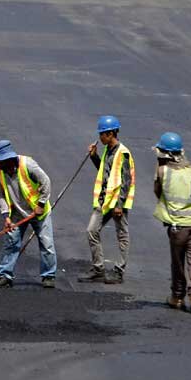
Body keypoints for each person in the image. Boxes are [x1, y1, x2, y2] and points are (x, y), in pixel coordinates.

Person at [153, 132, 191, 314]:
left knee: (177, 263)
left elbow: (158, 192)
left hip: (177, 228)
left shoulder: (162, 172)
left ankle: (177, 297)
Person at [0, 140, 57, 289]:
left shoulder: (28, 164)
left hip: (38, 212)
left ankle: (48, 276)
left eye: (0, 161)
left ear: (9, 159)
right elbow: (0, 195)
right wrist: (6, 216)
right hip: (17, 212)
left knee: (47, 244)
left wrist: (41, 204)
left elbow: (46, 182)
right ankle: (5, 275)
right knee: (11, 243)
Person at [79, 115, 134, 284]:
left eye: (102, 134)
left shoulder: (123, 153)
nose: (99, 137)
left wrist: (119, 204)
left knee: (122, 235)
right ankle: (98, 269)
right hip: (104, 202)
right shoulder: (107, 151)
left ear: (110, 134)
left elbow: (126, 181)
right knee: (91, 231)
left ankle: (119, 271)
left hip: (117, 203)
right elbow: (105, 172)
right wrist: (94, 156)